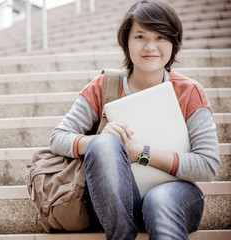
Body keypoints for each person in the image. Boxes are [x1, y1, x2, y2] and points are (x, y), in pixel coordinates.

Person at [49, 0, 221, 239]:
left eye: (161, 37)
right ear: (126, 43)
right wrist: (102, 141)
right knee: (104, 143)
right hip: (113, 206)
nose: (150, 46)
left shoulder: (189, 92)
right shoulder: (103, 86)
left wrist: (143, 153)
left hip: (175, 200)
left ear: (174, 43)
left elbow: (208, 165)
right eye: (140, 37)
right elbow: (57, 138)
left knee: (160, 198)